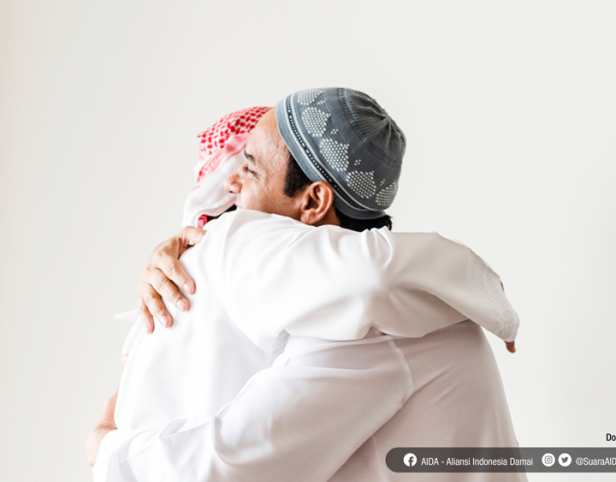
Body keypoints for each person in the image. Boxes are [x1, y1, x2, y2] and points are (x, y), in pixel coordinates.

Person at [87, 88, 524, 481]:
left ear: (314, 201)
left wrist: (105, 447)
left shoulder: (372, 328)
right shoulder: (372, 304)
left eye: (250, 169)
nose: (231, 187)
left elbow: (233, 462)